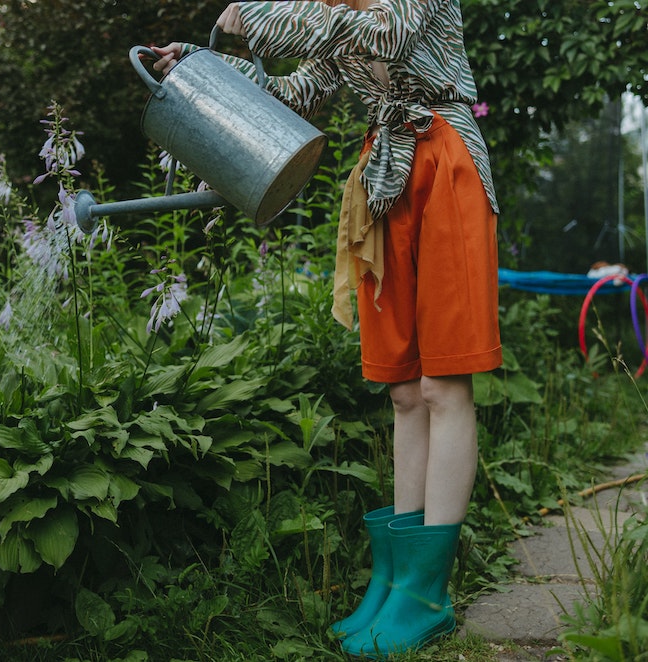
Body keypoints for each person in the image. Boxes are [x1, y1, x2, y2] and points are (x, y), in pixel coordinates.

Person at [151, 0, 502, 657]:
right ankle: (395, 581)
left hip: (446, 161)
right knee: (402, 390)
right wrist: (203, 66)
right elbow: (296, 89)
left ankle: (427, 594)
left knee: (442, 384)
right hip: (384, 172)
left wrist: (258, 18)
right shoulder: (332, 10)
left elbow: (383, 31)